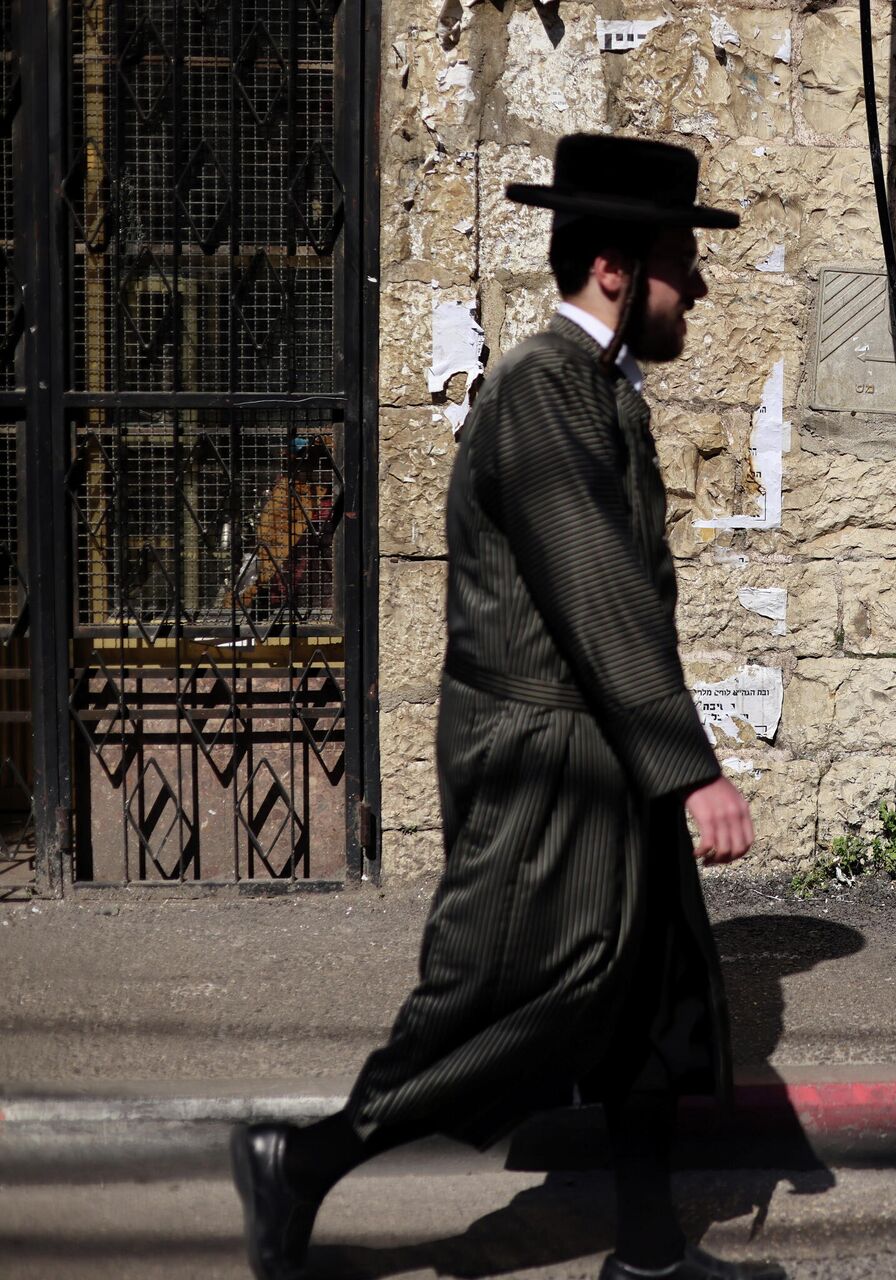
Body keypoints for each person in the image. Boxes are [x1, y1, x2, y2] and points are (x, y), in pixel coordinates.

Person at [229, 135, 782, 1280]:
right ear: (618, 272)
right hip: (546, 757)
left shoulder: (595, 389)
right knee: (508, 994)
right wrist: (690, 765)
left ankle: (646, 1253)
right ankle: (302, 1158)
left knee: (651, 1001)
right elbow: (594, 587)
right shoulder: (540, 390)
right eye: (685, 260)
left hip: (603, 745)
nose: (703, 285)